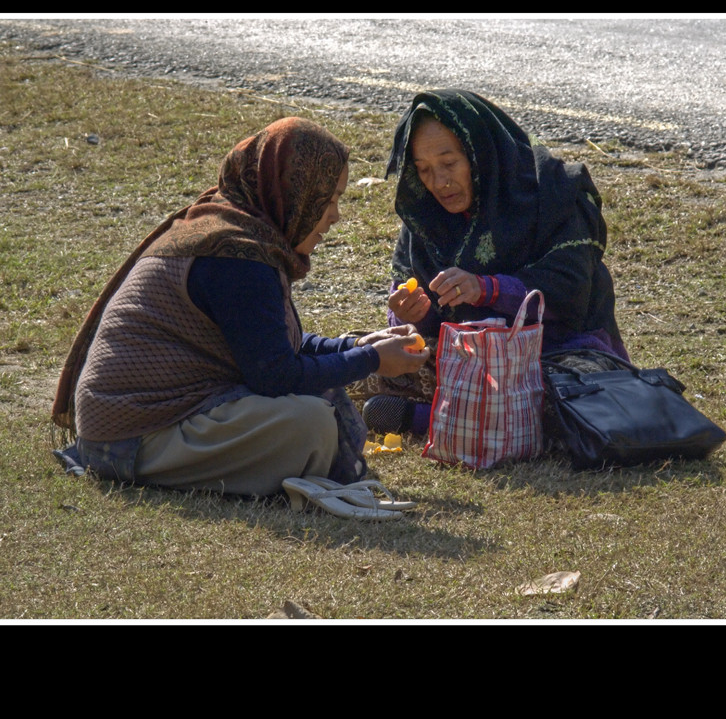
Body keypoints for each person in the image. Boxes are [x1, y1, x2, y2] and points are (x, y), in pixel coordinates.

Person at [51, 117, 429, 496]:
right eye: (326, 199)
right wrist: (372, 361)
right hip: (130, 439)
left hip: (144, 426)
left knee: (315, 408)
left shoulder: (238, 233)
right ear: (293, 192)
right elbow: (276, 376)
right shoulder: (238, 257)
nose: (335, 216)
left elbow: (273, 349)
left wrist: (360, 347)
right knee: (310, 423)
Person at [356, 89, 631, 437]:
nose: (438, 182)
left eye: (449, 163)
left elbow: (570, 291)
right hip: (465, 359)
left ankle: (426, 419)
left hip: (555, 353)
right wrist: (410, 313)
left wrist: (486, 289)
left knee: (576, 396)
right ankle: (475, 417)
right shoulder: (424, 214)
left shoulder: (551, 195)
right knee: (362, 361)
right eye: (423, 169)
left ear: (481, 153)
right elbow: (412, 313)